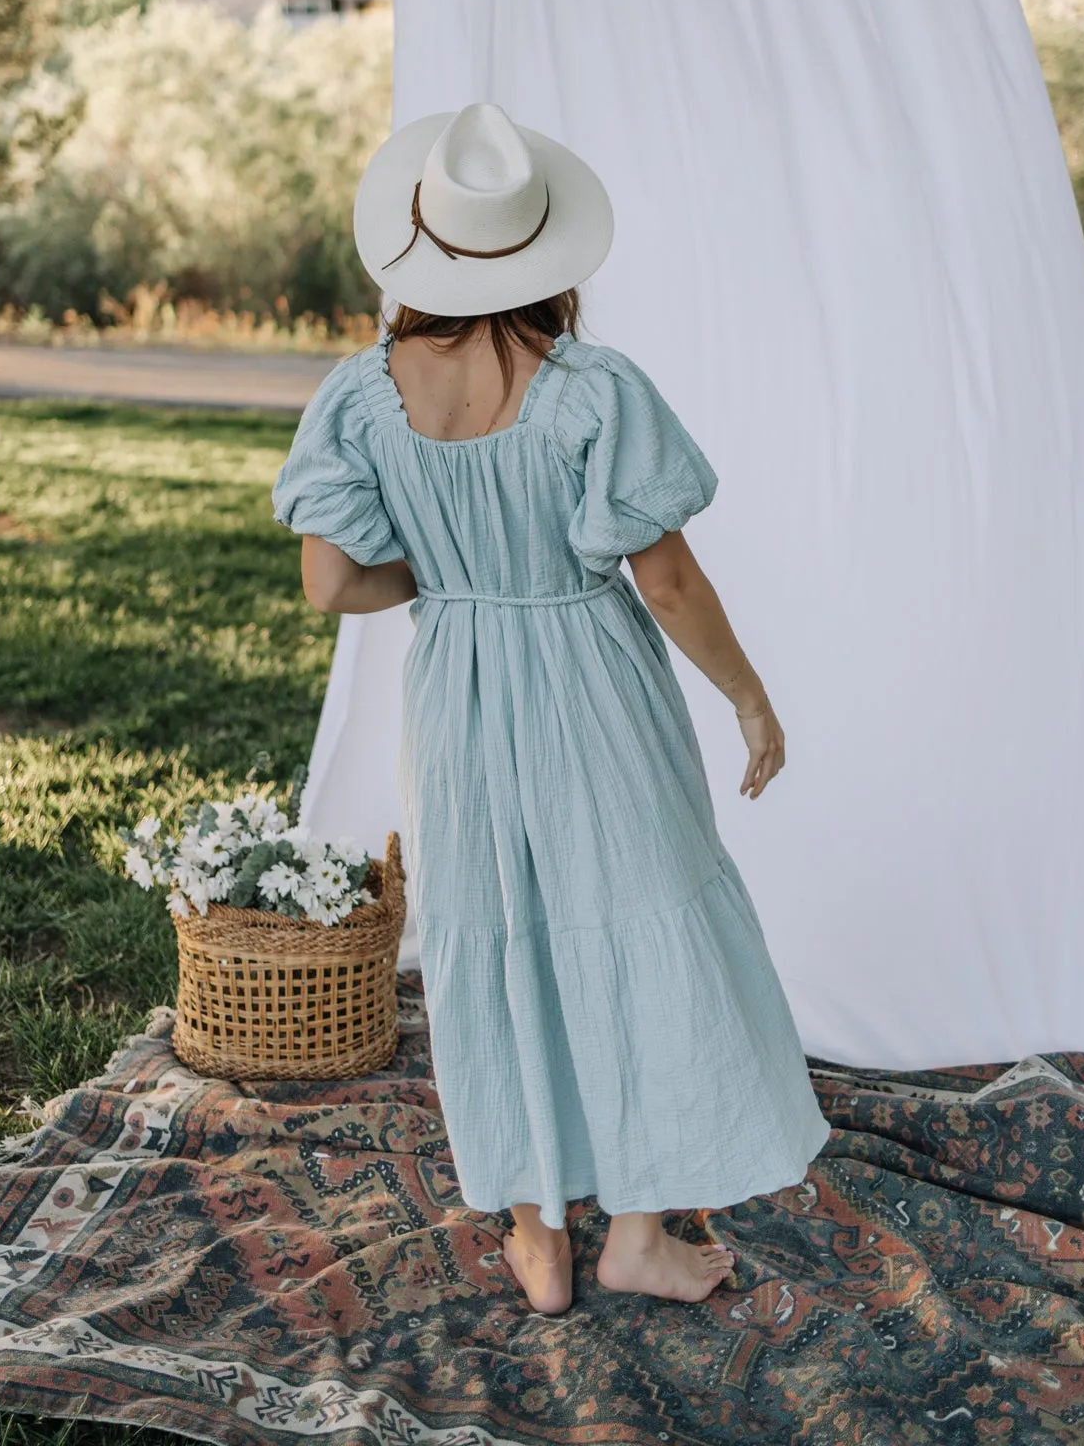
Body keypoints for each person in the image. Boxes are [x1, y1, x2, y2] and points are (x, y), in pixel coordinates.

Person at [273, 101, 830, 1316]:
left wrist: (451, 569)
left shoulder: (360, 398)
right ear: (544, 255)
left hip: (459, 679)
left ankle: (535, 1237)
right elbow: (665, 577)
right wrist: (748, 697)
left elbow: (332, 582)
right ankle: (636, 1227)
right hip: (590, 678)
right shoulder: (589, 390)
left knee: (499, 934)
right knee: (633, 919)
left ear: (415, 250)